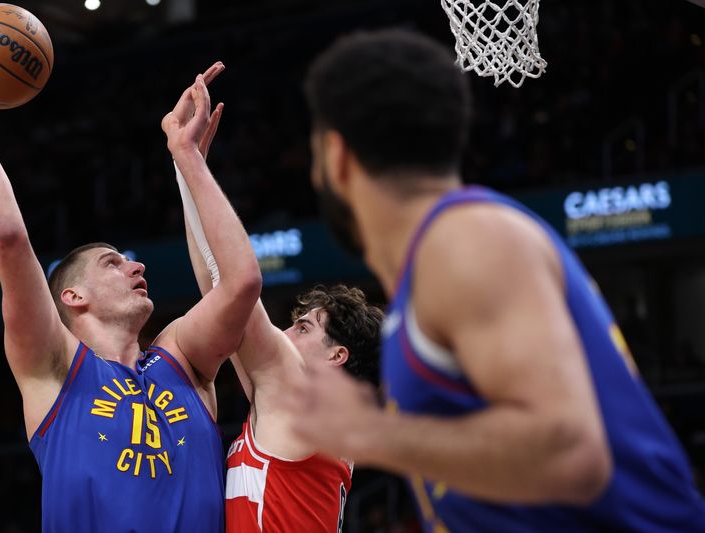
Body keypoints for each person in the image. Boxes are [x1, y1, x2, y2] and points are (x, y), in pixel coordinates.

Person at [285, 28, 705, 531]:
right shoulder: (430, 273)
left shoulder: (468, 240)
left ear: (336, 156)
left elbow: (570, 453)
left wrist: (374, 432)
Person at [0, 19, 261, 532]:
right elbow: (9, 237)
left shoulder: (181, 359)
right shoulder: (53, 365)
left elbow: (241, 282)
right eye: (113, 262)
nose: (137, 266)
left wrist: (188, 159)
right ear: (72, 295)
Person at [175, 109, 384, 531]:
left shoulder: (301, 401)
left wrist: (189, 158)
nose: (285, 332)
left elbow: (233, 281)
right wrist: (186, 168)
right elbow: (219, 293)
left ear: (337, 356)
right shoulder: (285, 401)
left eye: (304, 328)